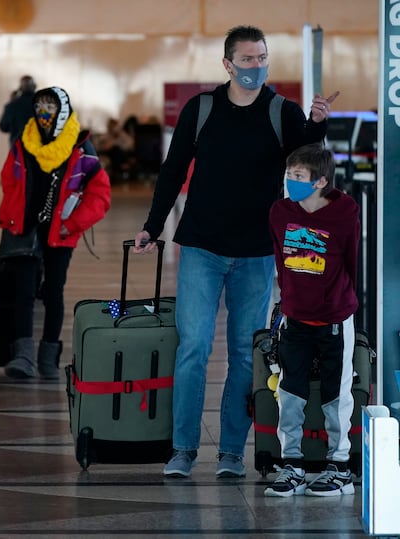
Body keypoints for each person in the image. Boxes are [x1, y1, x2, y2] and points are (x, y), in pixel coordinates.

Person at [131, 25, 339, 479]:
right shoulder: (201, 109)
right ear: (227, 64)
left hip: (257, 251)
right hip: (202, 246)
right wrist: (152, 226)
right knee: (194, 348)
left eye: (261, 57)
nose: (256, 66)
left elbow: (306, 164)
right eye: (247, 59)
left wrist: (318, 124)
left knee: (246, 355)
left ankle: (230, 452)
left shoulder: (280, 111)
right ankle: (183, 449)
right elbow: (171, 172)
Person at [263, 144, 359, 497]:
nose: (291, 182)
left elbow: (351, 259)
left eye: (299, 177)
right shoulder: (280, 212)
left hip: (334, 318)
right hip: (295, 318)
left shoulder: (345, 210)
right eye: (289, 176)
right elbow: (279, 256)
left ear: (320, 181)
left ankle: (340, 464)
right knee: (290, 391)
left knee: (337, 395)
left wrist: (338, 300)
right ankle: (292, 464)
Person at [0, 86, 111, 379]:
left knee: (52, 292)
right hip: (25, 230)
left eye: (51, 106)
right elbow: (9, 180)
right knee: (23, 292)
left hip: (60, 233)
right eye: (40, 106)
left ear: (63, 110)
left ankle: (48, 357)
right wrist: (10, 217)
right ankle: (23, 356)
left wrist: (72, 223)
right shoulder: (25, 142)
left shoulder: (79, 146)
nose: (44, 112)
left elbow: (100, 196)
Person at [0, 75, 37, 145]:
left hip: (17, 147)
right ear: (35, 86)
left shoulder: (12, 106)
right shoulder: (42, 105)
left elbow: (3, 127)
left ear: (20, 88)